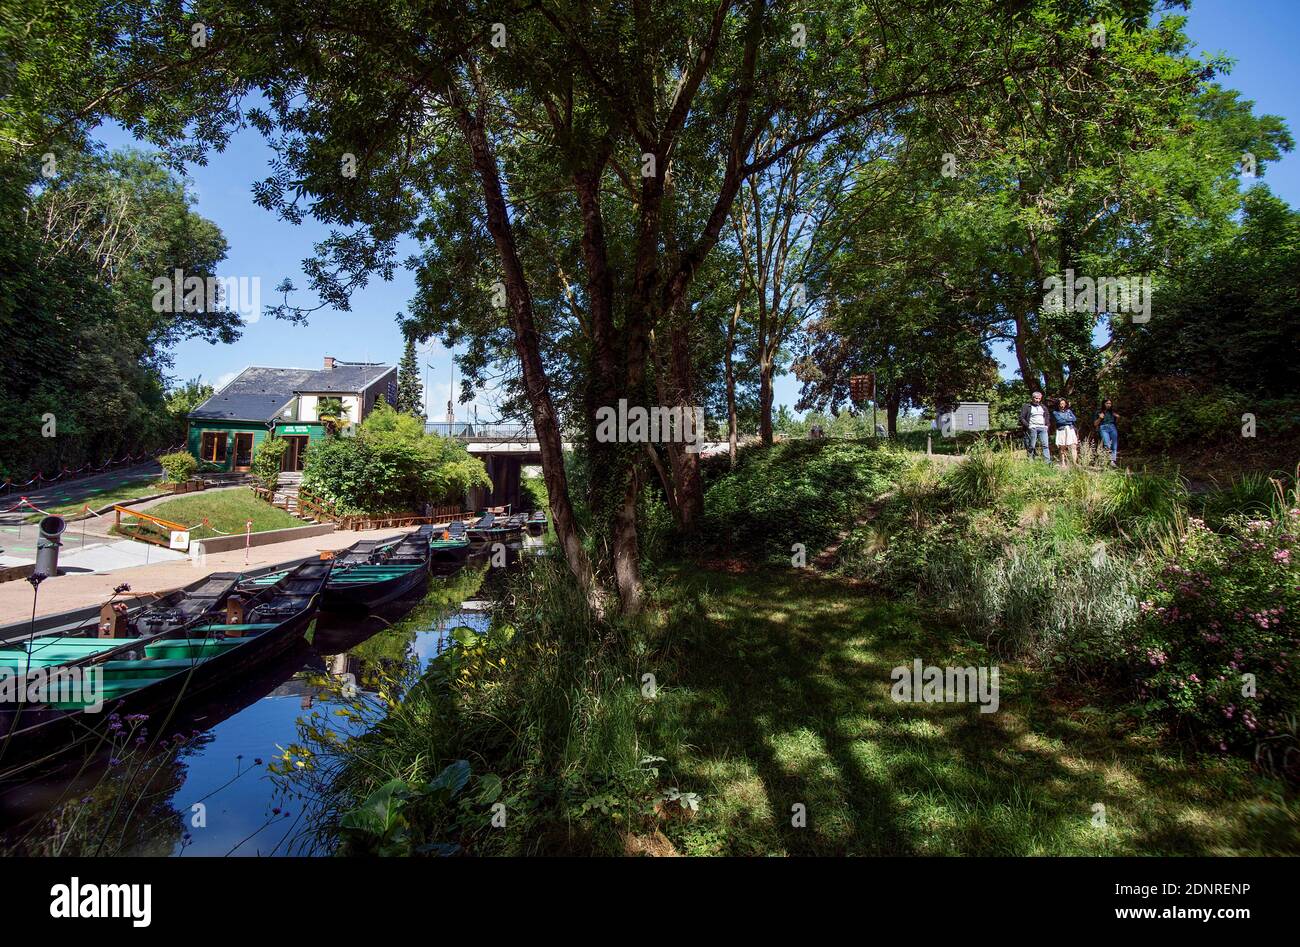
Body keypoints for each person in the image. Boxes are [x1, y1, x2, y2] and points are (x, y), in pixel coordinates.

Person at [1019, 390, 1051, 462]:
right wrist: (1028, 426)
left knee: (1045, 445)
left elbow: (1047, 416)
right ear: (1032, 398)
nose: (1038, 400)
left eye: (1039, 398)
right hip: (1033, 428)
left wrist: (1047, 425)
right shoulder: (1027, 406)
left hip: (1043, 428)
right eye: (1036, 398)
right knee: (1032, 445)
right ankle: (1031, 460)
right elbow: (1021, 418)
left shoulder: (1043, 407)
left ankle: (1047, 462)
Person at [1052, 397, 1078, 466]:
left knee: (1073, 446)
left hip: (1070, 429)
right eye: (1060, 404)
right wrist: (1069, 419)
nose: (1062, 405)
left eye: (1063, 403)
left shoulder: (1069, 411)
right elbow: (1059, 421)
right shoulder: (1055, 412)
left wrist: (1065, 419)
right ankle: (1063, 463)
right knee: (1062, 446)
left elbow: (1074, 419)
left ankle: (1074, 463)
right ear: (1058, 404)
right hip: (1061, 430)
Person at [1094, 399, 1120, 465]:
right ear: (1103, 404)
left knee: (1114, 444)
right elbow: (1095, 424)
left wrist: (1117, 418)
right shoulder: (1098, 412)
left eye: (1110, 403)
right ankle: (1106, 459)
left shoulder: (1112, 412)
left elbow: (1116, 422)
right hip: (1103, 427)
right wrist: (1100, 418)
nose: (1109, 405)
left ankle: (1112, 460)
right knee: (1107, 444)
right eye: (1107, 403)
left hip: (1112, 427)